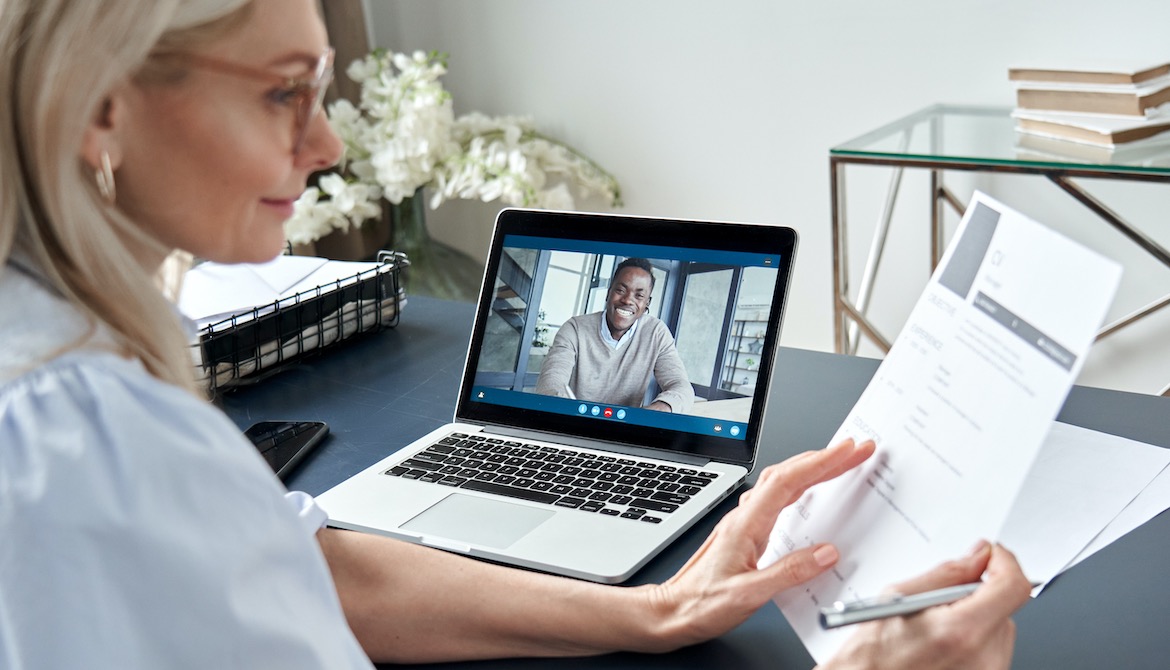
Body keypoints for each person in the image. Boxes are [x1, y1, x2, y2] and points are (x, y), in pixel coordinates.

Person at [0, 0, 1032, 667]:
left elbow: (309, 565)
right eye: (282, 93)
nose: (322, 145)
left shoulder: (64, 354)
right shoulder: (81, 435)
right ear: (100, 108)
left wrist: (658, 609)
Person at [535, 257, 695, 412]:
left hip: (624, 431)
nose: (627, 300)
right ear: (609, 292)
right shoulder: (575, 328)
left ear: (647, 303)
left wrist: (660, 408)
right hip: (574, 423)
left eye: (639, 295)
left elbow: (681, 386)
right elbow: (551, 381)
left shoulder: (656, 333)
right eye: (620, 290)